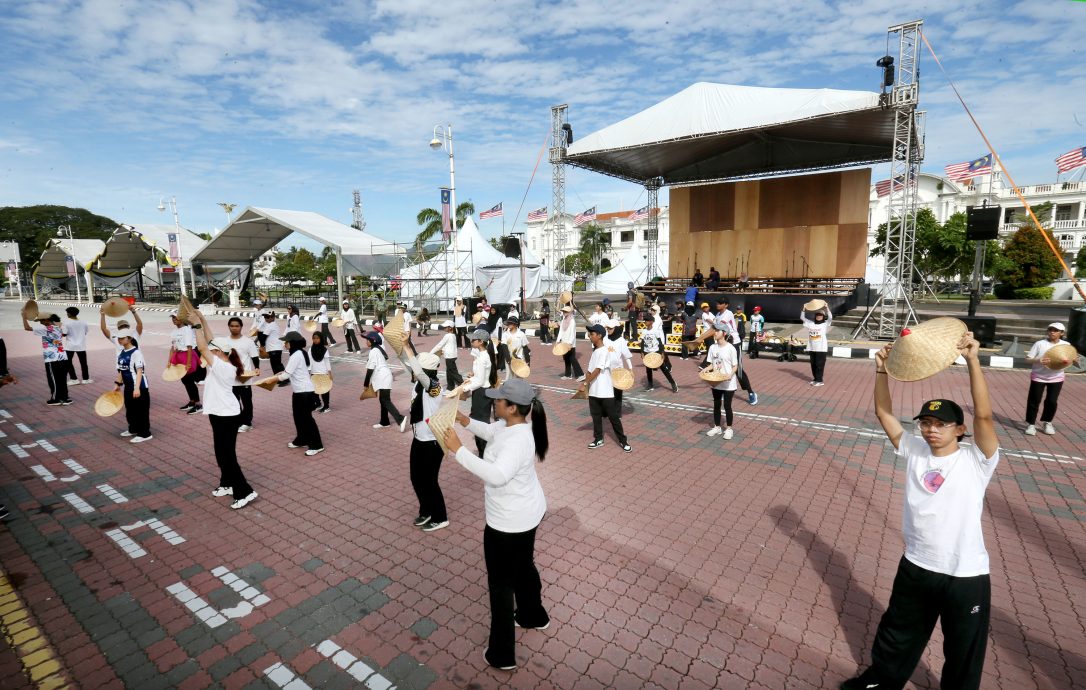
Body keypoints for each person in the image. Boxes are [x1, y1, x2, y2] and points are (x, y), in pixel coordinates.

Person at [844, 332, 998, 690]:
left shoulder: (977, 460)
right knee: (898, 633)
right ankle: (881, 682)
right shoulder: (914, 449)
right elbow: (884, 412)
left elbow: (986, 417)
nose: (931, 430)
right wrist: (881, 371)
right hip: (917, 564)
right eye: (926, 423)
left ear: (960, 429)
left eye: (941, 424)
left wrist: (973, 362)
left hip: (965, 575)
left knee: (963, 649)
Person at [443, 378, 550, 671]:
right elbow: (491, 431)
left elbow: (498, 475)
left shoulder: (518, 440)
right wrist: (465, 421)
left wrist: (458, 451)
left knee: (501, 584)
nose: (494, 402)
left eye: (498, 400)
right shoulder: (512, 426)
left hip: (508, 523)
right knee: (524, 565)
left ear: (512, 407)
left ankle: (502, 654)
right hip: (525, 514)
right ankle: (533, 615)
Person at [189, 311, 257, 509]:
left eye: (213, 350)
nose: (211, 351)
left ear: (220, 352)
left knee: (228, 456)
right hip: (218, 414)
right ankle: (226, 483)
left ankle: (245, 491)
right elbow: (210, 340)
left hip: (227, 415)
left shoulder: (223, 367)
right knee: (220, 452)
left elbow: (203, 346)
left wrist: (196, 327)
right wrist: (202, 320)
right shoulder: (222, 361)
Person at [404, 348, 448, 532]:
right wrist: (402, 347)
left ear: (425, 372)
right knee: (416, 478)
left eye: (416, 370)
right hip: (419, 438)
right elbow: (407, 364)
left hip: (433, 441)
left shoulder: (435, 388)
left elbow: (419, 373)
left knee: (430, 480)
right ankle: (427, 510)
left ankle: (441, 517)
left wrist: (408, 347)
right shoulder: (418, 384)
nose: (412, 372)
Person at [579, 324, 631, 452]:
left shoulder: (605, 351)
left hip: (606, 391)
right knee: (596, 416)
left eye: (592, 334)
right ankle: (598, 439)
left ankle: (623, 441)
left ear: (600, 336)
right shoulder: (595, 351)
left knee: (613, 417)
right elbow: (590, 370)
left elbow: (597, 370)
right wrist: (587, 383)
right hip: (594, 391)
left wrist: (585, 383)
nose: (590, 336)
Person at [1023, 322, 1077, 436]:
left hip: (1056, 377)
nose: (1052, 332)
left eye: (1055, 330)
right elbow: (1027, 359)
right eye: (1050, 329)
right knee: (1034, 400)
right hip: (1038, 376)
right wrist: (1038, 360)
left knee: (1052, 401)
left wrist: (1074, 360)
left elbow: (1071, 359)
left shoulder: (1066, 344)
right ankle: (1031, 424)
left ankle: (1047, 422)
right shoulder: (1040, 344)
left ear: (1062, 333)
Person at [277, 331, 324, 456]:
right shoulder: (298, 353)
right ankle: (301, 439)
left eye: (286, 342)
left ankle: (317, 445)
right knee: (298, 417)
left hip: (304, 392)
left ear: (292, 343)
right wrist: (280, 374)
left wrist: (272, 379)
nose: (284, 344)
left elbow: (286, 375)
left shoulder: (296, 355)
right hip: (299, 391)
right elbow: (289, 372)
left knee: (307, 419)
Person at [112, 326, 152, 442]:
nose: (119, 340)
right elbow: (121, 370)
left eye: (122, 338)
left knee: (141, 411)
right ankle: (133, 429)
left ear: (129, 339)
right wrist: (117, 384)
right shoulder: (122, 353)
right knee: (130, 409)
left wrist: (137, 388)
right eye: (118, 338)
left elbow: (140, 370)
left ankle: (145, 433)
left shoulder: (136, 353)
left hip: (139, 386)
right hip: (128, 386)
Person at [23, 310, 71, 405]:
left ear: (47, 320)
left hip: (51, 358)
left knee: (53, 379)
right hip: (62, 357)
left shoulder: (46, 329)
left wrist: (24, 317)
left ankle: (56, 399)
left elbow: (27, 328)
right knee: (62, 378)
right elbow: (62, 327)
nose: (41, 323)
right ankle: (65, 398)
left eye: (42, 320)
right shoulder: (60, 327)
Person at [462, 328, 498, 455]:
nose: (471, 341)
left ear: (481, 342)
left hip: (482, 393)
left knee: (480, 426)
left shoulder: (483, 357)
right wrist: (472, 377)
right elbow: (479, 378)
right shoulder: (481, 355)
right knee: (479, 424)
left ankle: (485, 454)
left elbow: (481, 381)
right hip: (480, 392)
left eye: (473, 340)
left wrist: (464, 388)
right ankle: (484, 452)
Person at [716, 299, 757, 405]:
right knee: (724, 367)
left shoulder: (728, 313)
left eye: (720, 303)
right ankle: (724, 391)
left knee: (738, 370)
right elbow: (715, 329)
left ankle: (751, 393)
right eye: (717, 303)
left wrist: (698, 339)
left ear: (726, 305)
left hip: (734, 343)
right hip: (724, 344)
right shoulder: (717, 315)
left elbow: (718, 327)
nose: (717, 304)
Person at [363, 331, 406, 431]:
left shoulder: (374, 351)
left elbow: (370, 369)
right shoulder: (377, 349)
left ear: (372, 341)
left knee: (385, 400)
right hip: (384, 376)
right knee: (383, 400)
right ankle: (384, 422)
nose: (366, 342)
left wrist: (366, 384)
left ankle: (400, 419)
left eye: (367, 340)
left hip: (383, 377)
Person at [702, 330, 739, 439]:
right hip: (716, 381)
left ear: (724, 333)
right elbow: (712, 365)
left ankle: (729, 429)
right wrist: (705, 369)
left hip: (728, 382)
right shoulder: (713, 347)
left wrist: (730, 375)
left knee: (727, 406)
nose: (715, 333)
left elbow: (735, 366)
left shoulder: (730, 348)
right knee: (716, 405)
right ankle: (717, 427)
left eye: (717, 331)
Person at [226, 317, 258, 432]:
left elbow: (254, 356)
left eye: (237, 326)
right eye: (232, 326)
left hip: (245, 377)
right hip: (231, 377)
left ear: (241, 327)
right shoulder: (225, 341)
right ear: (229, 327)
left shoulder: (248, 342)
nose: (234, 328)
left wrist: (257, 368)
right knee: (234, 400)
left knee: (246, 401)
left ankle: (247, 423)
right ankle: (239, 420)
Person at [168, 312, 201, 414]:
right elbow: (172, 348)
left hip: (188, 355)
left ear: (182, 318)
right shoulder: (173, 332)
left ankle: (198, 404)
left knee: (190, 381)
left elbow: (190, 347)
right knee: (185, 380)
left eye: (176, 317)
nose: (174, 319)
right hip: (178, 356)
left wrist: (188, 363)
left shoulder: (187, 330)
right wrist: (169, 361)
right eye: (172, 317)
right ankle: (192, 401)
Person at [641, 304, 677, 393]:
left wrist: (662, 353)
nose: (645, 322)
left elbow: (660, 343)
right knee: (648, 369)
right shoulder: (644, 331)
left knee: (664, 369)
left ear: (651, 322)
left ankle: (673, 383)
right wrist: (642, 352)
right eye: (645, 320)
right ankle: (650, 385)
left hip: (656, 351)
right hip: (647, 352)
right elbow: (642, 342)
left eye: (647, 320)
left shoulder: (655, 330)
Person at [606, 317, 634, 414]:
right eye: (607, 328)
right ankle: (606, 412)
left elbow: (626, 356)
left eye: (610, 328)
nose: (608, 330)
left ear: (616, 329)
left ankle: (617, 413)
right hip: (606, 370)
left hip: (618, 371)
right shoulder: (605, 339)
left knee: (617, 393)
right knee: (606, 392)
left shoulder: (621, 341)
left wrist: (630, 369)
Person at [802, 304, 832, 386]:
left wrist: (827, 308)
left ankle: (820, 381)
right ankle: (815, 379)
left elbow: (830, 318)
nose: (819, 316)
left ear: (823, 316)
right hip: (812, 347)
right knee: (813, 364)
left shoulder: (825, 324)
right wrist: (804, 309)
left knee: (819, 365)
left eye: (821, 315)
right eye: (817, 315)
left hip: (821, 348)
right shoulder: (811, 324)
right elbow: (802, 318)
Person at [63, 307, 91, 385]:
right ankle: (86, 379)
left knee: (68, 362)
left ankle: (74, 379)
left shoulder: (66, 322)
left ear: (69, 313)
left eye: (67, 313)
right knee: (83, 363)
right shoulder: (83, 322)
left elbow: (64, 334)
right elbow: (85, 332)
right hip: (81, 345)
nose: (67, 314)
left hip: (70, 345)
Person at [431, 321, 463, 388]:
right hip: (452, 356)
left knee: (453, 372)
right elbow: (448, 345)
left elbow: (440, 345)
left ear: (450, 328)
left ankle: (462, 384)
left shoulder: (447, 336)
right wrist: (443, 350)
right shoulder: (453, 335)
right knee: (449, 372)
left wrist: (431, 352)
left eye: (445, 327)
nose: (444, 328)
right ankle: (450, 387)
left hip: (449, 356)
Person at [556, 305, 583, 381]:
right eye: (563, 311)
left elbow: (572, 333)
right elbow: (561, 331)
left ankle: (580, 374)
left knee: (572, 359)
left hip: (570, 344)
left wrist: (570, 343)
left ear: (569, 312)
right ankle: (568, 374)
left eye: (565, 311)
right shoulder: (564, 320)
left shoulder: (572, 321)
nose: (564, 313)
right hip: (564, 342)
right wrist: (558, 341)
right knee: (566, 358)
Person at [500, 316, 530, 380]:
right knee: (509, 378)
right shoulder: (505, 334)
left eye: (510, 323)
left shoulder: (521, 334)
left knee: (519, 378)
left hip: (519, 360)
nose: (508, 324)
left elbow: (525, 348)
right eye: (508, 323)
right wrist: (508, 360)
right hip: (509, 360)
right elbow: (504, 347)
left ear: (515, 324)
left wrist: (527, 361)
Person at [310, 331, 332, 413]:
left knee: (324, 391)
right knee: (314, 391)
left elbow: (327, 362)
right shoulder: (311, 349)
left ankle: (326, 406)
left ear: (321, 339)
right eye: (314, 338)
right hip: (314, 373)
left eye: (317, 338)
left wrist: (330, 373)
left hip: (323, 373)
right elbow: (309, 361)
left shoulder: (324, 350)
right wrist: (309, 372)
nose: (315, 340)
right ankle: (318, 404)